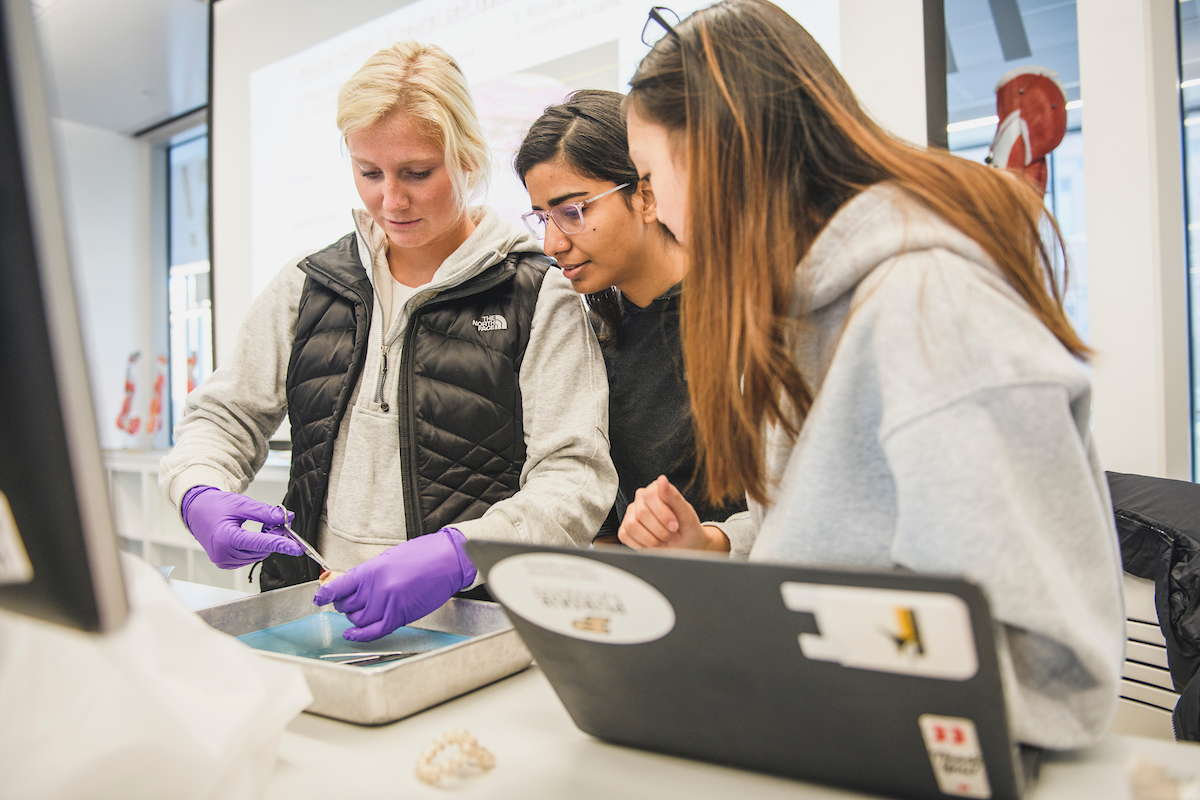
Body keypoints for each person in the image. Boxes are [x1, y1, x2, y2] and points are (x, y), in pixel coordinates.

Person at [618, 0, 1124, 750]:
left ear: (724, 153)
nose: (654, 211)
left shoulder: (931, 309)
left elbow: (1047, 668)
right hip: (832, 726)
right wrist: (719, 549)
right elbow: (836, 531)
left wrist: (781, 670)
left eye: (650, 177)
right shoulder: (807, 311)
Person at [159, 41, 616, 642]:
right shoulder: (310, 283)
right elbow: (224, 415)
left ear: (468, 159)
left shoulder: (537, 292)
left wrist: (461, 553)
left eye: (417, 174)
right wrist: (198, 490)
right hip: (314, 613)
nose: (390, 200)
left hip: (470, 623)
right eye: (369, 172)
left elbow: (575, 476)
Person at [513, 90, 748, 551]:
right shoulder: (594, 335)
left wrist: (710, 543)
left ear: (646, 197)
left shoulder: (750, 319)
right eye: (542, 218)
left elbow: (807, 504)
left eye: (572, 212)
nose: (551, 244)